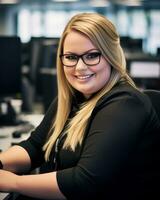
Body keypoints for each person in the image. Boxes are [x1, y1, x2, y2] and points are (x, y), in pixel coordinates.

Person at [0, 12, 160, 200]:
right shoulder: (72, 99)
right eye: (71, 57)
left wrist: (11, 182)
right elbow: (36, 146)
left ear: (111, 56)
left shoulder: (125, 104)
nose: (80, 67)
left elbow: (85, 181)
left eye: (92, 56)